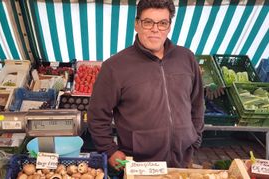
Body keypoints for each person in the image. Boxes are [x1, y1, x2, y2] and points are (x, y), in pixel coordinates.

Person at [87, 0, 204, 169]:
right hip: (138, 163)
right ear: (137, 24)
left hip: (182, 160)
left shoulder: (186, 57)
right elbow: (97, 114)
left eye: (162, 23)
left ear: (169, 26)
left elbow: (197, 103)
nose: (155, 29)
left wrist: (194, 140)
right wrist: (109, 150)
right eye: (148, 22)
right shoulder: (115, 66)